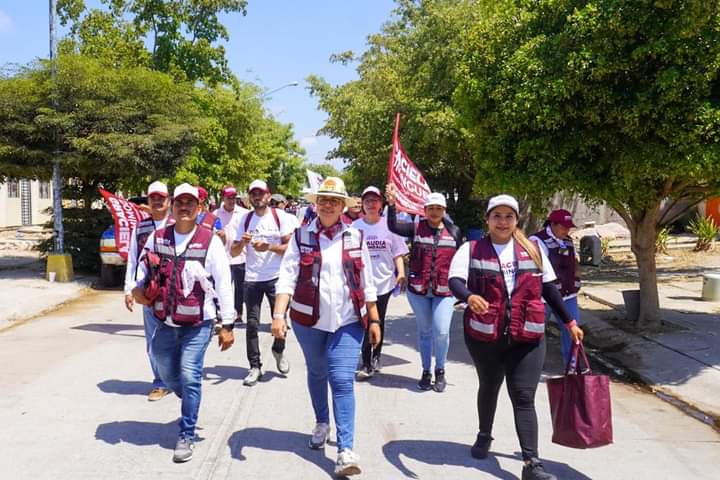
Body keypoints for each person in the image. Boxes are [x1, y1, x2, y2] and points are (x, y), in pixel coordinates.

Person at [448, 194, 584, 480]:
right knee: (490, 385)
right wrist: (470, 295)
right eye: (496, 216)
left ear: (516, 220)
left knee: (523, 396)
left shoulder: (533, 249)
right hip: (486, 336)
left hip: (528, 335)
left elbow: (549, 289)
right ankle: (484, 434)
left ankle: (531, 463)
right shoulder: (471, 249)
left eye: (508, 216)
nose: (503, 221)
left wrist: (569, 321)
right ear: (487, 220)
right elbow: (455, 281)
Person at [271, 177, 381, 477]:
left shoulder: (355, 237)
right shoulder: (301, 236)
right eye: (323, 199)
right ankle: (322, 422)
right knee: (317, 372)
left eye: (334, 200)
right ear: (315, 203)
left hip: (348, 322)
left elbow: (367, 281)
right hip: (309, 322)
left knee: (342, 379)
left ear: (343, 205)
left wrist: (374, 318)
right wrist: (279, 315)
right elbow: (287, 276)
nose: (328, 204)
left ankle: (345, 450)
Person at [132, 183, 235, 463]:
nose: (185, 207)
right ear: (173, 207)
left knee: (190, 376)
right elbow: (143, 266)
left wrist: (228, 324)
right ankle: (189, 396)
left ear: (199, 208)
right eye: (180, 203)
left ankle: (186, 433)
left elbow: (224, 284)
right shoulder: (157, 236)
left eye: (191, 203)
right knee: (165, 372)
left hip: (198, 322)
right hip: (164, 319)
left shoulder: (209, 241)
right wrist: (136, 288)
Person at [386, 184, 462, 392]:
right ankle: (426, 371)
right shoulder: (415, 228)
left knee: (441, 331)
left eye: (438, 208)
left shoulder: (454, 232)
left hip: (445, 291)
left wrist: (464, 290)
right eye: (431, 208)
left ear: (444, 211)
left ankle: (440, 370)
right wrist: (391, 204)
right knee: (425, 332)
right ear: (425, 210)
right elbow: (393, 226)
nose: (434, 212)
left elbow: (461, 262)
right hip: (419, 290)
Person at [230, 180, 296, 386]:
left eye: (261, 194)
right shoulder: (245, 219)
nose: (257, 197)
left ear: (269, 196)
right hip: (252, 279)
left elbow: (290, 248)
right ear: (250, 197)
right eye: (253, 194)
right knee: (251, 324)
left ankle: (278, 350)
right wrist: (242, 242)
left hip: (276, 277)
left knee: (280, 321)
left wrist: (268, 247)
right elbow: (233, 251)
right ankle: (255, 366)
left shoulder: (280, 217)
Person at [123, 180, 172, 401]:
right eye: (153, 198)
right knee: (153, 339)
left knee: (178, 336)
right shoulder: (140, 227)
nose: (157, 201)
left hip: (177, 291)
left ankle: (179, 376)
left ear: (168, 200)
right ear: (148, 201)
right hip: (149, 291)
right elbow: (133, 259)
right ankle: (160, 382)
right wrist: (129, 289)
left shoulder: (179, 223)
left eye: (161, 197)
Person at [352, 186, 408, 379]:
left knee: (377, 320)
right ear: (362, 205)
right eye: (367, 201)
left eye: (374, 200)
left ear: (381, 204)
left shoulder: (390, 226)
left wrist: (400, 272)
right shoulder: (355, 227)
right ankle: (365, 357)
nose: (371, 204)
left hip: (384, 282)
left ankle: (373, 357)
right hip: (361, 283)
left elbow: (398, 252)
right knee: (363, 321)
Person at [529, 209, 581, 368]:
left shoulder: (568, 240)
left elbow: (574, 263)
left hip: (568, 296)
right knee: (535, 333)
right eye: (564, 227)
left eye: (569, 227)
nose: (567, 230)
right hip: (545, 298)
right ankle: (530, 366)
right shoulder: (537, 241)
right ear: (552, 224)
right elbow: (537, 271)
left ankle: (572, 368)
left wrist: (576, 281)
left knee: (573, 332)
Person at [214, 186, 250, 324]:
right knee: (222, 286)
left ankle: (238, 313)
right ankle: (222, 313)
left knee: (240, 288)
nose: (231, 200)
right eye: (229, 197)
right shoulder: (215, 214)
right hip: (222, 257)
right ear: (223, 198)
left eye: (234, 197)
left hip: (241, 256)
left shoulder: (244, 213)